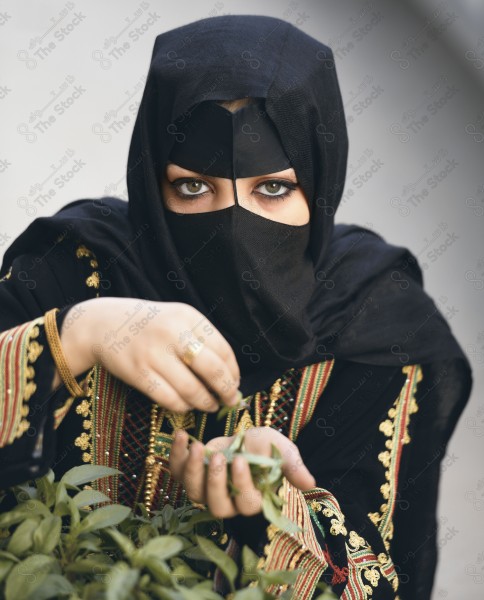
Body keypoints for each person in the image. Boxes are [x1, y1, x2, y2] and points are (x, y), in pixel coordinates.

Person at [0, 14, 472, 600]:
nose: (232, 227)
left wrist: (279, 503)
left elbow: (381, 582)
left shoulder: (374, 323)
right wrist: (78, 335)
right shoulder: (73, 269)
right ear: (152, 181)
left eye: (272, 188)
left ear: (319, 185)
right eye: (193, 188)